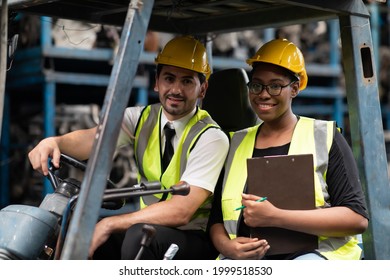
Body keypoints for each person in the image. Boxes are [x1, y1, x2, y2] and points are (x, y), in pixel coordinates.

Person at [28, 35, 230, 260]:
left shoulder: (211, 137)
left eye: (187, 81)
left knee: (135, 235)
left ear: (202, 89)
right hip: (149, 226)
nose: (176, 90)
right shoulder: (139, 118)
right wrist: (55, 142)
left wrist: (109, 224)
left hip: (193, 238)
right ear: (157, 81)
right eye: (169, 78)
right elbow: (93, 140)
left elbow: (181, 211)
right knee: (77, 230)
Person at [208, 38, 369, 260]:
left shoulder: (324, 136)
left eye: (275, 85)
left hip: (315, 257)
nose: (263, 94)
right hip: (247, 259)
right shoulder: (235, 144)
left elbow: (356, 218)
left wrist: (276, 217)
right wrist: (226, 247)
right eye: (256, 85)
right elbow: (216, 218)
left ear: (294, 88)